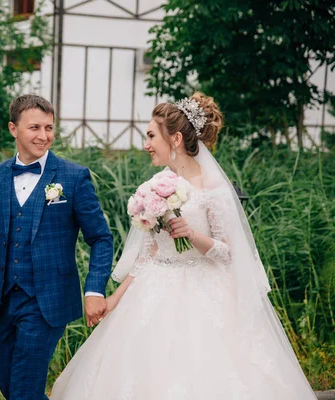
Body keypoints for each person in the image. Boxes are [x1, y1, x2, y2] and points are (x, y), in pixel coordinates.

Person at [50, 92, 317, 399]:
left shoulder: (214, 189)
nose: (146, 144)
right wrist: (113, 302)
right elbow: (147, 256)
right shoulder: (153, 187)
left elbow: (229, 252)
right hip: (153, 290)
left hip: (205, 291)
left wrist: (192, 235)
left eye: (151, 136)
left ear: (174, 138)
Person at [0, 94, 113, 400]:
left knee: (23, 390)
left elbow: (101, 238)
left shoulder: (73, 177)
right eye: (34, 127)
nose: (44, 136)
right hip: (5, 300)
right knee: (10, 387)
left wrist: (94, 289)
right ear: (13, 128)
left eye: (49, 128)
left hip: (47, 302)